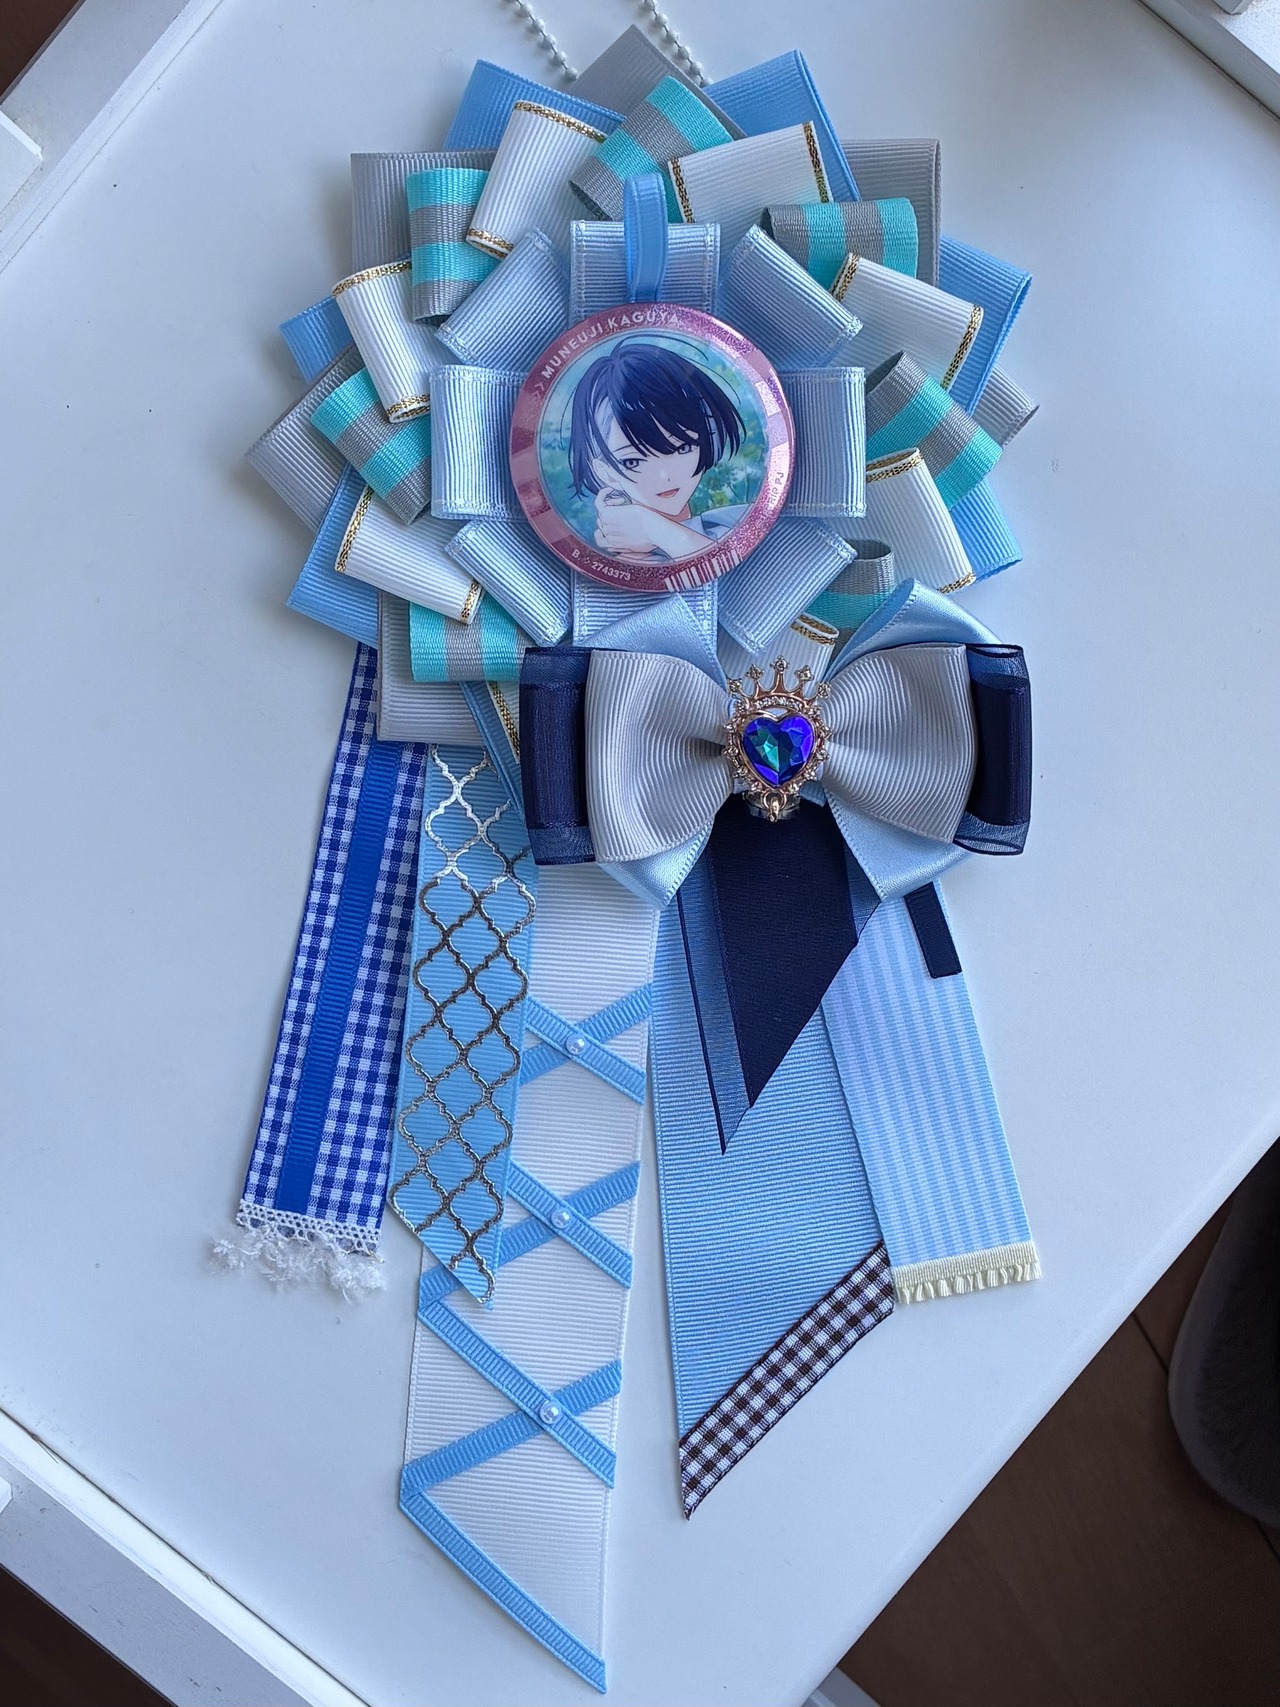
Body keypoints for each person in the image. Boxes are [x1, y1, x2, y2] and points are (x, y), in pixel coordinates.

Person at [568, 338, 748, 561]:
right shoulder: (608, 561)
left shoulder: (738, 521)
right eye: (633, 461)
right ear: (605, 472)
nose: (664, 476)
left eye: (682, 448)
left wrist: (655, 530)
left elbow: (731, 565)